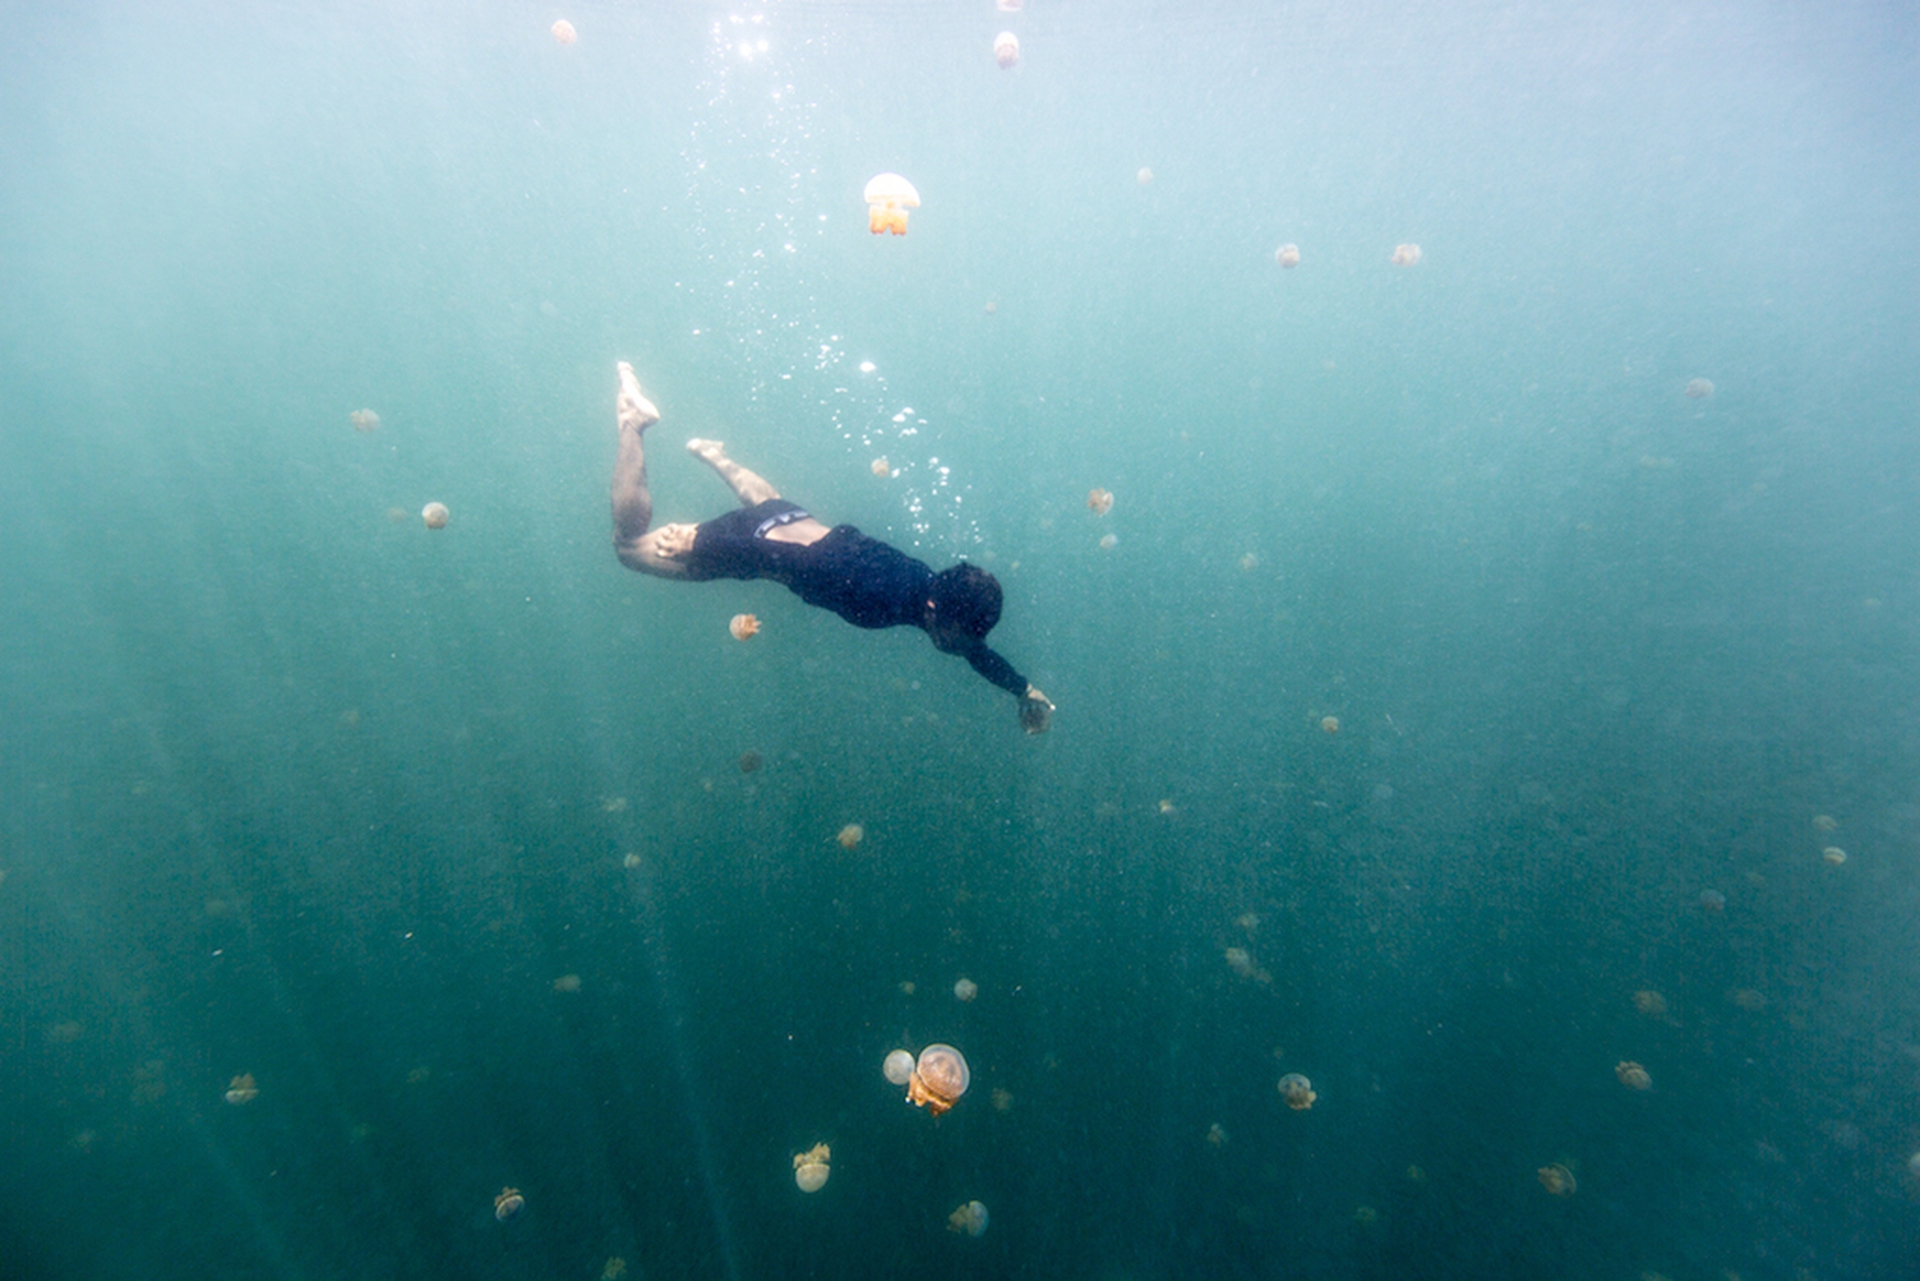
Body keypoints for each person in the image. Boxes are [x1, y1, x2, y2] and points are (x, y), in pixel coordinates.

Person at [609, 362, 1054, 733]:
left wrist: (1021, 688)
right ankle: (632, 420)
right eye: (961, 636)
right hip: (762, 544)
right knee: (629, 548)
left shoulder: (930, 589)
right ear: (939, 611)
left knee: (767, 502)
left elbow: (974, 650)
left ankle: (715, 454)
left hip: (789, 518)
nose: (962, 646)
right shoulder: (881, 599)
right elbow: (798, 558)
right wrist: (705, 541)